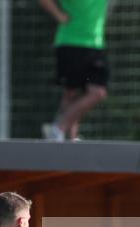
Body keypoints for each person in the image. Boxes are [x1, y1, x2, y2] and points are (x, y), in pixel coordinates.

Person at [39, 0, 109, 142]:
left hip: (96, 45)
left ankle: (57, 128)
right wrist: (59, 15)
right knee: (72, 93)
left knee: (98, 92)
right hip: (70, 43)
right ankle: (68, 137)